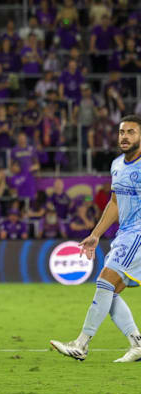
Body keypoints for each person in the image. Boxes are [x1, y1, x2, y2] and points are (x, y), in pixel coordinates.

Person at [51, 115, 141, 362]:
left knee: (104, 282)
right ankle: (137, 343)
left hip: (138, 235)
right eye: (122, 132)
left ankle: (81, 344)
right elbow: (114, 202)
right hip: (126, 234)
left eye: (131, 132)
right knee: (109, 291)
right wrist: (95, 234)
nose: (125, 136)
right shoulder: (117, 165)